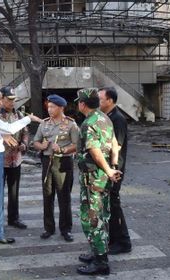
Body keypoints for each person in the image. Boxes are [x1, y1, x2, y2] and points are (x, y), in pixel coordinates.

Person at [0, 87, 42, 258]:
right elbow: (10, 129)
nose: (2, 102)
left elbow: (5, 132)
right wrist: (29, 118)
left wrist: (6, 133)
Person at [75, 88, 122, 276]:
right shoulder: (105, 118)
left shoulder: (89, 123)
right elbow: (115, 144)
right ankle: (97, 251)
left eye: (79, 101)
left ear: (83, 104)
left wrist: (109, 170)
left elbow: (94, 151)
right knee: (103, 215)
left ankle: (101, 261)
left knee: (92, 219)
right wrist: (114, 165)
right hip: (102, 177)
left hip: (93, 178)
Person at [33, 94, 78, 242]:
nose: (49, 109)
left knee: (64, 197)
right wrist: (42, 146)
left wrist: (63, 150)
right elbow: (35, 142)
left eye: (53, 107)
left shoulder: (71, 124)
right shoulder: (44, 124)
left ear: (61, 108)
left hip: (63, 163)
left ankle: (66, 229)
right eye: (49, 106)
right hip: (47, 162)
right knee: (48, 196)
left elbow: (77, 145)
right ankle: (49, 228)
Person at [98, 87, 132, 254]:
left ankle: (123, 242)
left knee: (114, 205)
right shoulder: (107, 117)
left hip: (114, 171)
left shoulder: (117, 119)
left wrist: (111, 170)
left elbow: (115, 146)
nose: (98, 102)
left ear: (110, 100)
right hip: (109, 170)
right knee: (109, 207)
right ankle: (113, 239)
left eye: (101, 99)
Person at [0, 86, 29, 230]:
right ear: (2, 99)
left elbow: (25, 133)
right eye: (9, 99)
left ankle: (13, 218)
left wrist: (24, 144)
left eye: (13, 100)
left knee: (14, 192)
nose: (12, 102)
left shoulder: (19, 116)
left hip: (15, 160)